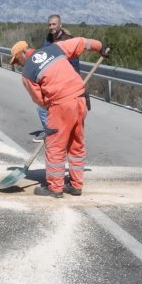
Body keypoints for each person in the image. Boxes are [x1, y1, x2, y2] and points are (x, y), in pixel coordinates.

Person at [10, 36, 110, 198]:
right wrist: (99, 47)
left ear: (22, 53)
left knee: (55, 146)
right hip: (80, 98)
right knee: (76, 144)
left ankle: (55, 188)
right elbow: (81, 43)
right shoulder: (54, 49)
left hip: (61, 104)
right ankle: (76, 185)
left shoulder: (27, 72)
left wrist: (53, 112)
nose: (18, 64)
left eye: (17, 60)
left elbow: (40, 100)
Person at [34, 14, 81, 140]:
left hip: (65, 81)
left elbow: (74, 62)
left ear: (60, 24)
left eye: (54, 24)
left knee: (51, 109)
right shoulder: (49, 39)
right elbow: (44, 56)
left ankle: (54, 134)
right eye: (49, 24)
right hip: (52, 80)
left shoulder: (67, 40)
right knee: (44, 108)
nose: (51, 27)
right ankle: (53, 132)